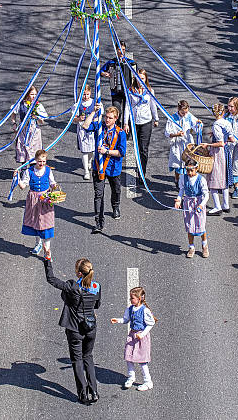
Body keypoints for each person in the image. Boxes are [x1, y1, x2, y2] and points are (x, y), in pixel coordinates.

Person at [43, 257, 100, 405]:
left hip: (75, 329)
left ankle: (83, 394)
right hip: (91, 328)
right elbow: (97, 305)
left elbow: (51, 279)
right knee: (88, 357)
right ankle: (93, 391)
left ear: (80, 273)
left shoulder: (73, 286)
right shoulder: (96, 286)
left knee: (77, 360)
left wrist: (47, 260)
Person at [82, 105, 127, 233]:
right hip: (98, 167)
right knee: (98, 194)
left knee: (116, 190)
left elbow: (121, 152)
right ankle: (99, 222)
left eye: (110, 118)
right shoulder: (99, 127)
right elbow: (85, 126)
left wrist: (106, 151)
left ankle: (115, 206)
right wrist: (94, 112)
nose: (107, 120)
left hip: (113, 167)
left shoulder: (120, 133)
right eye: (106, 117)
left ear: (115, 119)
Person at [111, 286, 156, 391]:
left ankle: (148, 381)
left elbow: (151, 323)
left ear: (139, 299)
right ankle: (131, 377)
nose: (130, 300)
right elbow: (126, 319)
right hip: (132, 336)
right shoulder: (130, 309)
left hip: (141, 338)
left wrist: (142, 334)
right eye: (130, 298)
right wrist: (118, 320)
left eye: (132, 298)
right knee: (129, 357)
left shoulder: (145, 311)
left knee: (142, 360)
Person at [16, 149, 56, 260]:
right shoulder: (29, 171)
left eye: (44, 161)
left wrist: (55, 188)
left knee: (46, 224)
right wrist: (17, 179)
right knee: (36, 222)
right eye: (39, 161)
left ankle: (47, 251)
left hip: (45, 200)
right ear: (35, 160)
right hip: (33, 199)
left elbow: (52, 182)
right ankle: (38, 244)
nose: (42, 163)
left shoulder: (48, 170)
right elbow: (23, 186)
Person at [124, 69, 159, 180]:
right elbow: (127, 107)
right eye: (138, 78)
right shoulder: (130, 91)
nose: (140, 81)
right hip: (134, 122)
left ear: (146, 79)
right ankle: (138, 165)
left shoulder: (150, 91)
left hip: (146, 122)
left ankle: (141, 173)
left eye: (142, 78)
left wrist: (156, 118)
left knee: (143, 148)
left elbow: (153, 105)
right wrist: (126, 123)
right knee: (136, 147)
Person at [202, 103, 235, 215]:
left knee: (213, 180)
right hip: (226, 153)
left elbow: (220, 144)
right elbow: (231, 139)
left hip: (218, 154)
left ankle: (217, 207)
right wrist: (222, 139)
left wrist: (208, 144)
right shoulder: (227, 122)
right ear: (223, 111)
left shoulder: (216, 125)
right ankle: (226, 205)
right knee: (224, 180)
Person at [175, 159, 210, 258]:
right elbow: (182, 190)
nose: (190, 173)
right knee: (190, 225)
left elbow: (206, 194)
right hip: (188, 204)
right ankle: (191, 247)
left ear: (196, 169)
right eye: (188, 170)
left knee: (201, 225)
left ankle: (204, 245)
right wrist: (178, 200)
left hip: (198, 203)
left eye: (192, 170)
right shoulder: (183, 178)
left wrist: (201, 205)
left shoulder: (201, 179)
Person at [164, 100, 202, 190]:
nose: (185, 114)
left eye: (186, 112)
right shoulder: (172, 118)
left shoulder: (189, 116)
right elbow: (167, 133)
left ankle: (187, 182)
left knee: (188, 162)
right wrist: (176, 134)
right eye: (183, 112)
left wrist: (198, 124)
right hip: (177, 144)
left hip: (187, 143)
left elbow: (196, 127)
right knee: (178, 163)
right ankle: (177, 180)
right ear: (178, 109)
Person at [100, 41, 137, 128]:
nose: (121, 51)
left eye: (123, 49)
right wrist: (105, 74)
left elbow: (137, 76)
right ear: (116, 50)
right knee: (117, 111)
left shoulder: (131, 63)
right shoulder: (112, 62)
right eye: (119, 49)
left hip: (128, 92)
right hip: (116, 91)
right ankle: (116, 129)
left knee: (127, 112)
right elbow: (100, 70)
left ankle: (126, 131)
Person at [11, 86, 47, 165]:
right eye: (32, 94)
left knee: (33, 152)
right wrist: (14, 123)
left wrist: (37, 117)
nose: (34, 96)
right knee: (23, 151)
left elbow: (42, 122)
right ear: (27, 94)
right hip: (23, 130)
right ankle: (23, 171)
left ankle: (32, 171)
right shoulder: (20, 104)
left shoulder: (38, 106)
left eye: (35, 94)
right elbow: (13, 113)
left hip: (34, 132)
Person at [73, 85, 101, 180]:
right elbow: (73, 119)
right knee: (85, 151)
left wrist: (96, 119)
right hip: (82, 130)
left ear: (90, 93)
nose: (85, 96)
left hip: (92, 130)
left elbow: (101, 114)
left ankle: (89, 162)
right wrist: (78, 119)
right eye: (84, 94)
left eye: (87, 94)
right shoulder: (77, 104)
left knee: (92, 150)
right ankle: (86, 171)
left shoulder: (95, 103)